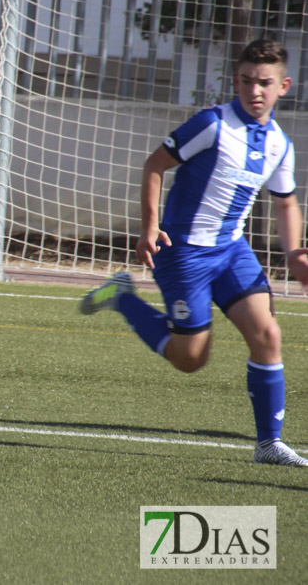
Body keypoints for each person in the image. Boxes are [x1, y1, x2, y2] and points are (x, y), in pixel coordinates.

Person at [80, 38, 308, 467]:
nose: (253, 91)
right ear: (235, 81)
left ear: (284, 86)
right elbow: (154, 165)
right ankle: (122, 297)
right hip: (183, 252)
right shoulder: (212, 124)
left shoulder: (279, 143)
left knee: (268, 335)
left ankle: (268, 444)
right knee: (190, 359)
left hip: (232, 251)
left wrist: (294, 252)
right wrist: (149, 226)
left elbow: (285, 202)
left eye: (264, 83)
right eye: (245, 81)